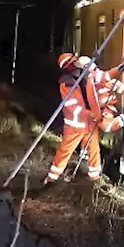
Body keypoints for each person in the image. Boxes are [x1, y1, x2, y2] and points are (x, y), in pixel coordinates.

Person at [44, 53, 102, 185]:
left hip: (89, 122)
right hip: (75, 125)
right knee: (65, 151)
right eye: (74, 60)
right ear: (68, 65)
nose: (77, 61)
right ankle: (52, 178)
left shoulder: (82, 75)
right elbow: (73, 106)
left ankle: (95, 178)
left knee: (93, 150)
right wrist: (89, 114)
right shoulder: (67, 82)